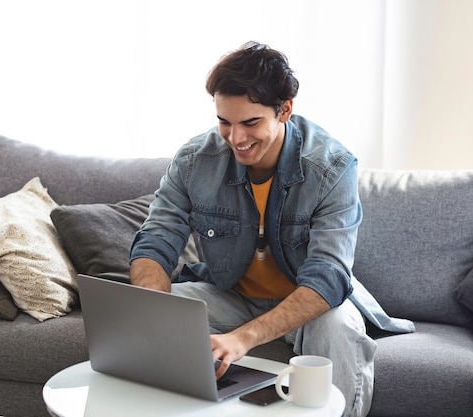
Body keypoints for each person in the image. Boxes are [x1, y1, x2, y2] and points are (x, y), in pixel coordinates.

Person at [130, 41, 378, 417]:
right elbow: (157, 238)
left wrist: (243, 339)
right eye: (224, 122)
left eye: (250, 123)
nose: (235, 139)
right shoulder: (195, 160)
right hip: (231, 294)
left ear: (286, 110)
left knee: (338, 327)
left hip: (309, 302)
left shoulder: (331, 167)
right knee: (148, 314)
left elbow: (328, 276)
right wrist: (153, 307)